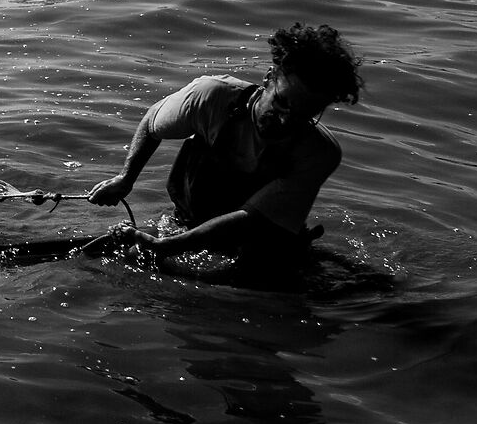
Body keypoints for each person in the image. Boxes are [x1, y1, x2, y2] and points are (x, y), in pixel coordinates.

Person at [86, 22, 364, 275]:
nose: (284, 120)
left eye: (303, 115)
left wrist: (167, 246)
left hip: (261, 247)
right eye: (281, 103)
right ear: (268, 79)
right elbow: (151, 123)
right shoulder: (211, 98)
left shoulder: (319, 153)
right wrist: (126, 179)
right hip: (188, 224)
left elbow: (251, 220)